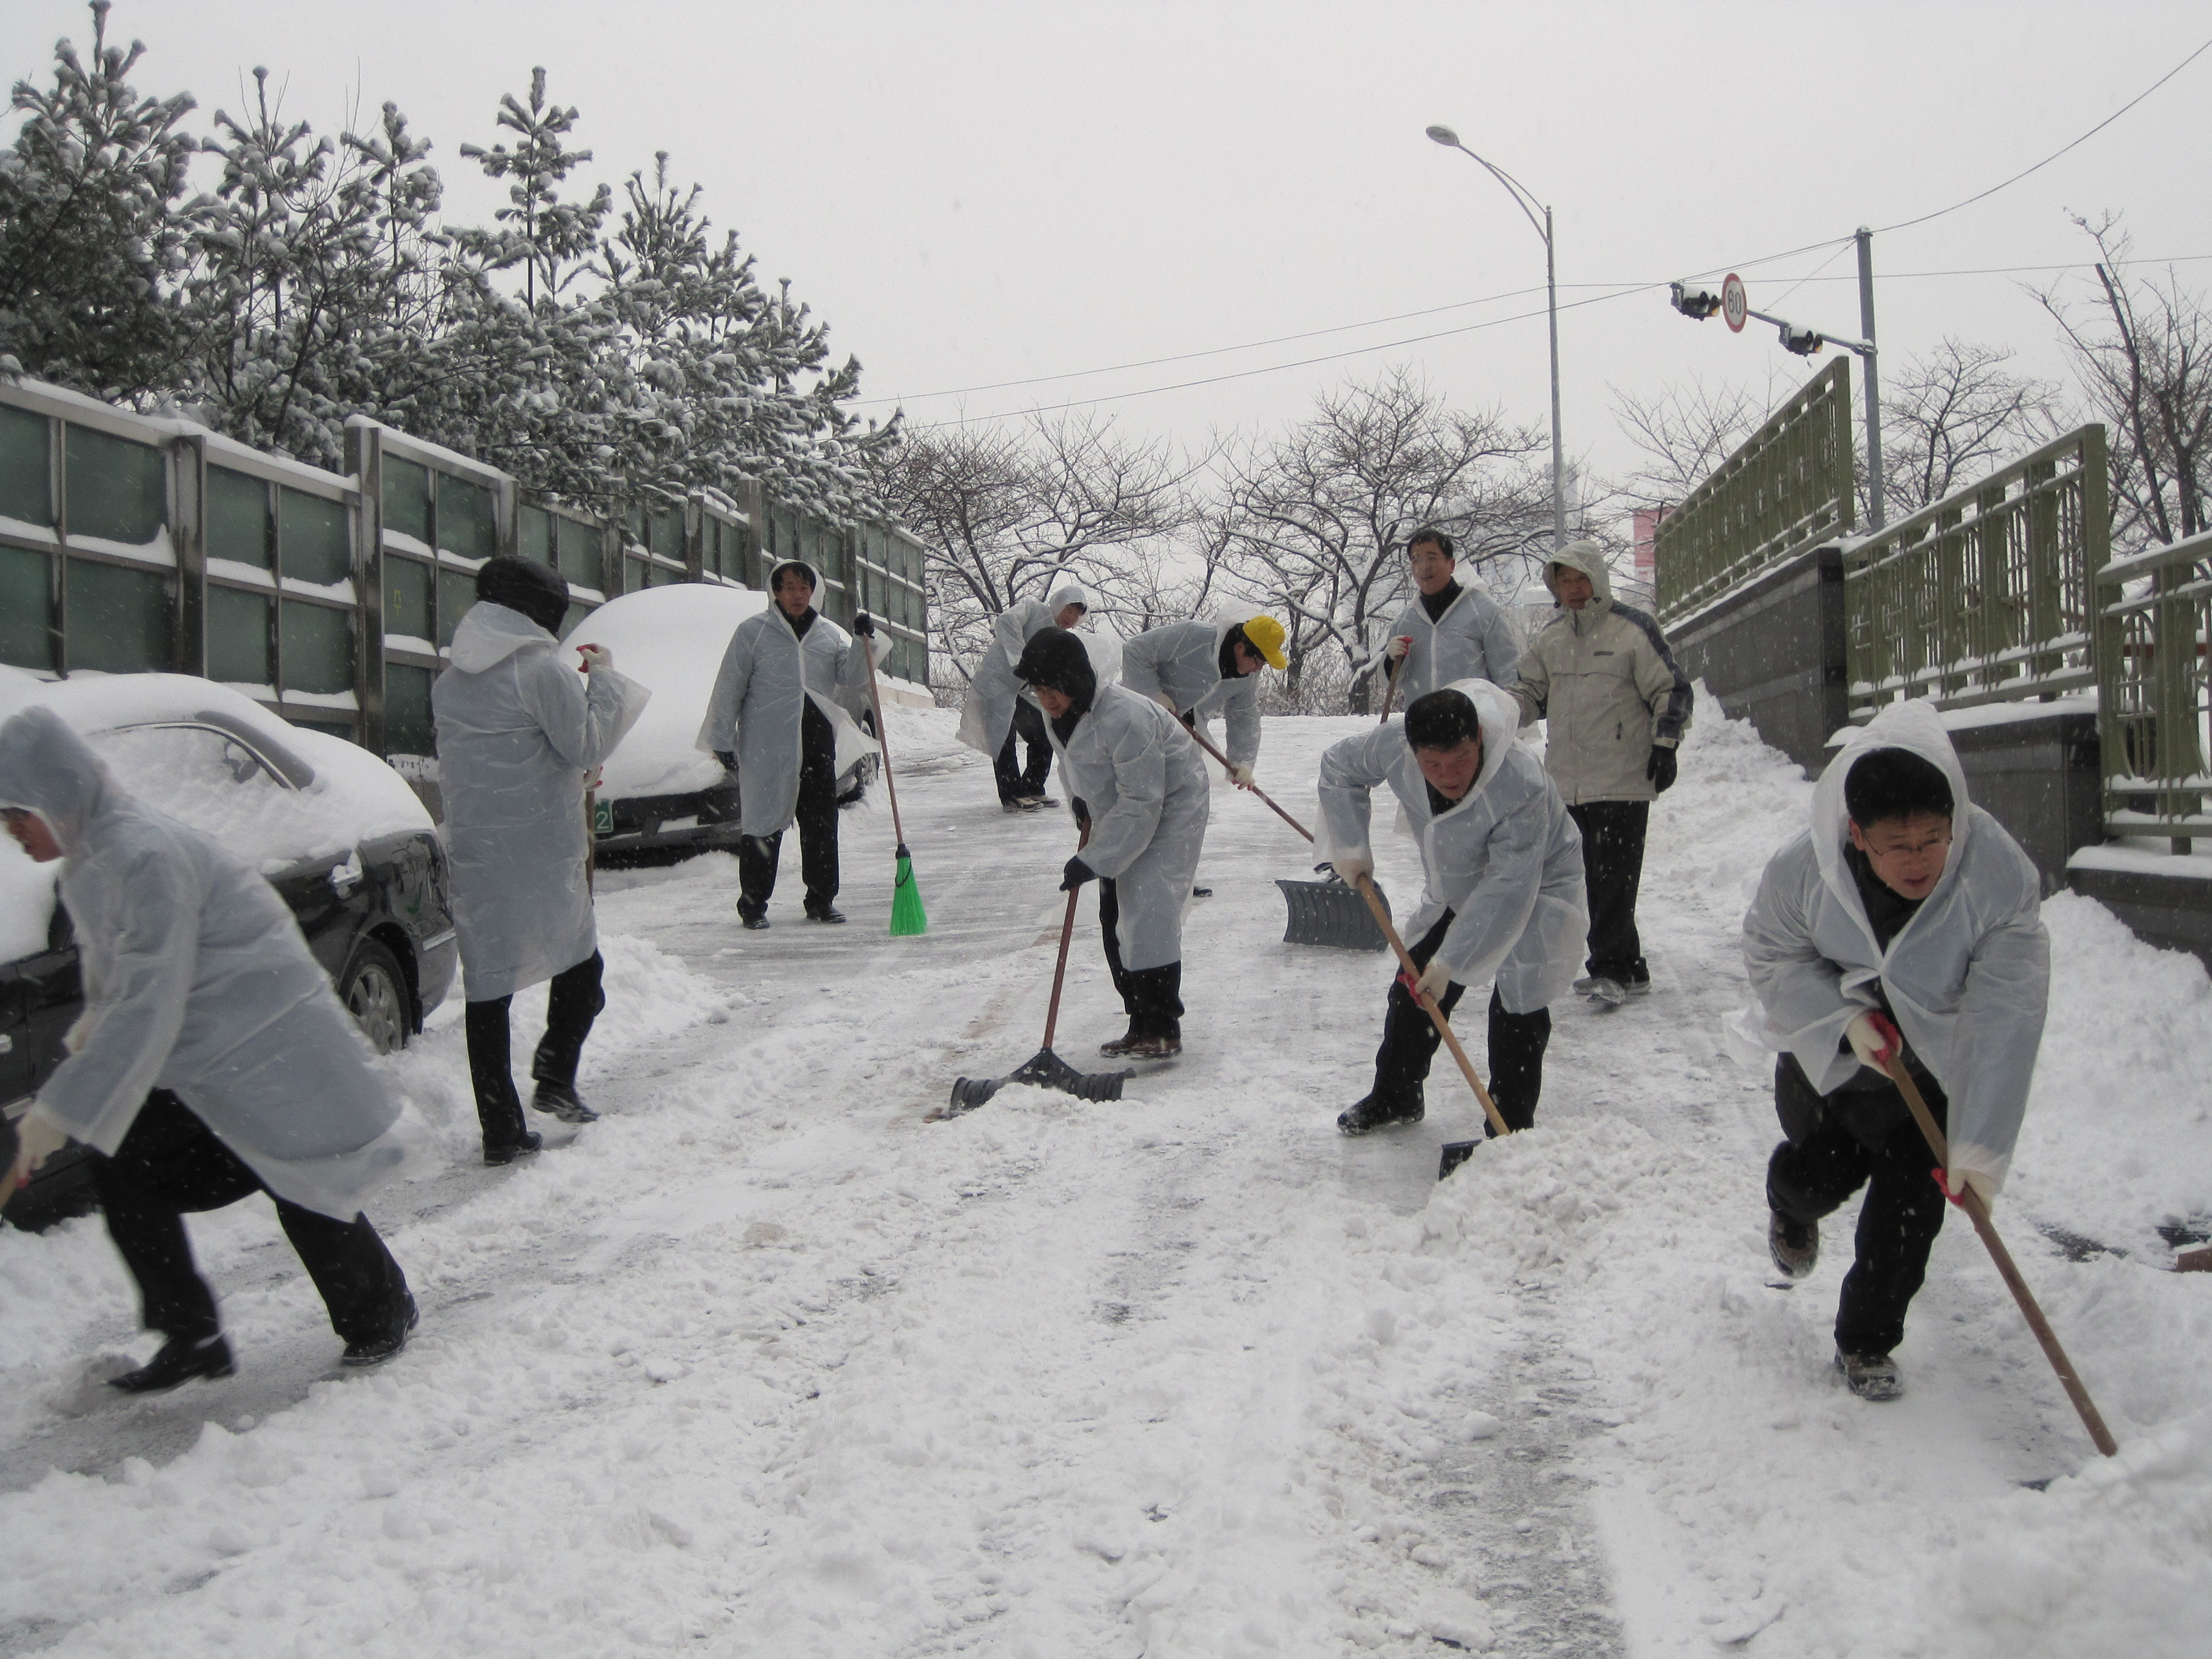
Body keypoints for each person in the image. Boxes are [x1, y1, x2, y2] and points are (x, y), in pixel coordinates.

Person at [0, 706, 418, 1392]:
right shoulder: (89, 869)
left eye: (15, 811)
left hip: (271, 1048)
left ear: (55, 796)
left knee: (298, 1172)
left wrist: (59, 1111)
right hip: (209, 1065)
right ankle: (192, 1336)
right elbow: (113, 993)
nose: (10, 830)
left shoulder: (143, 856)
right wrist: (78, 1075)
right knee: (125, 1162)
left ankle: (382, 1311)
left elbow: (147, 1002)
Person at [1741, 700, 2048, 1403]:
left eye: (1933, 840)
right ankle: (1788, 1205)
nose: (1919, 862)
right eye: (1897, 847)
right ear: (1857, 837)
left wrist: (1981, 1150)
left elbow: (2010, 1013)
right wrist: (1844, 1020)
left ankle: (1867, 1340)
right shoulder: (1805, 871)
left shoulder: (1995, 876)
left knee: (1910, 1212)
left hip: (1931, 1072)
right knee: (1819, 1179)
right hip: (1836, 1072)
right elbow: (1769, 953)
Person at [434, 556, 649, 1164]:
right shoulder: (540, 673)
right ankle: (555, 1073)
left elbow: (496, 759)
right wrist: (604, 681)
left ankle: (500, 1127)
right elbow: (585, 743)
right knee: (581, 970)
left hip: (479, 854)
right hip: (543, 851)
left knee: (488, 992)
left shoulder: (448, 684)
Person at [1318, 683, 1586, 1136]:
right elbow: (1339, 768)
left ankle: (1509, 1129)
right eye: (1433, 764)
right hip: (1458, 878)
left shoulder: (1520, 781)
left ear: (1478, 736)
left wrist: (1453, 961)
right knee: (1413, 987)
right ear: (1413, 751)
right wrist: (1349, 847)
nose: (1448, 775)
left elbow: (1508, 886)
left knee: (1519, 1002)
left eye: (1460, 759)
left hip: (1538, 880)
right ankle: (1397, 1095)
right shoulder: (1394, 744)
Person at [1014, 627, 1210, 1059]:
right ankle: (1139, 1021)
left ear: (1076, 681)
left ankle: (1162, 1027)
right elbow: (1072, 767)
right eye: (1039, 689)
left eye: (1053, 689)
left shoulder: (1125, 716)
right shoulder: (1058, 714)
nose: (1046, 700)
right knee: (1114, 914)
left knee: (1148, 907)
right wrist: (1081, 804)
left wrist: (1095, 858)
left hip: (1173, 802)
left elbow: (1144, 799)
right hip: (1123, 803)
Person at [1512, 538, 1692, 1005]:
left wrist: (1665, 745)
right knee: (1585, 878)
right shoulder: (1551, 639)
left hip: (1621, 777)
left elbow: (1670, 689)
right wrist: (1492, 714)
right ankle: (1628, 967)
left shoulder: (1632, 630)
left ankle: (1611, 968)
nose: (1572, 588)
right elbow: (1528, 691)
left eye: (1580, 578)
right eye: (1563, 579)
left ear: (1598, 579)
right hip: (1567, 781)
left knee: (1613, 877)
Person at [698, 560, 889, 928]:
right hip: (767, 743)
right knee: (762, 823)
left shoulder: (826, 635)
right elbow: (729, 686)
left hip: (816, 741)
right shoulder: (752, 633)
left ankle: (821, 899)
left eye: (803, 588)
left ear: (812, 590)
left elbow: (851, 676)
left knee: (820, 823)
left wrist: (865, 640)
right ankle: (753, 905)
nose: (796, 595)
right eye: (788, 588)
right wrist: (721, 738)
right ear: (776, 592)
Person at [954, 580, 1090, 812]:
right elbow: (1006, 620)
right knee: (1003, 739)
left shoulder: (1059, 637)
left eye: (1077, 615)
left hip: (1022, 691)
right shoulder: (1033, 609)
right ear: (1059, 604)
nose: (1071, 617)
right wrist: (1020, 659)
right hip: (995, 684)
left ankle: (1032, 787)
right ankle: (1011, 796)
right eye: (1069, 609)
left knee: (1043, 734)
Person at [1116, 614, 1289, 788]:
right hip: (1137, 724)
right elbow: (1136, 650)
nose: (1257, 669)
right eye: (1259, 661)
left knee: (1183, 796)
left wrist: (1242, 762)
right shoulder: (1193, 636)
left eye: (1264, 664)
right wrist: (1154, 695)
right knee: (1132, 790)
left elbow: (1244, 716)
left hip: (1184, 735)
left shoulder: (1247, 678)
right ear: (1240, 647)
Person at [1376, 527, 1522, 702]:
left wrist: (1506, 716)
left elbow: (1507, 672)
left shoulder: (1482, 610)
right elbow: (1391, 683)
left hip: (1473, 723)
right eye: (1417, 560)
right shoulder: (1406, 621)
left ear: (1451, 565)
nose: (1424, 566)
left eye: (1432, 558)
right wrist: (1391, 660)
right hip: (1421, 723)